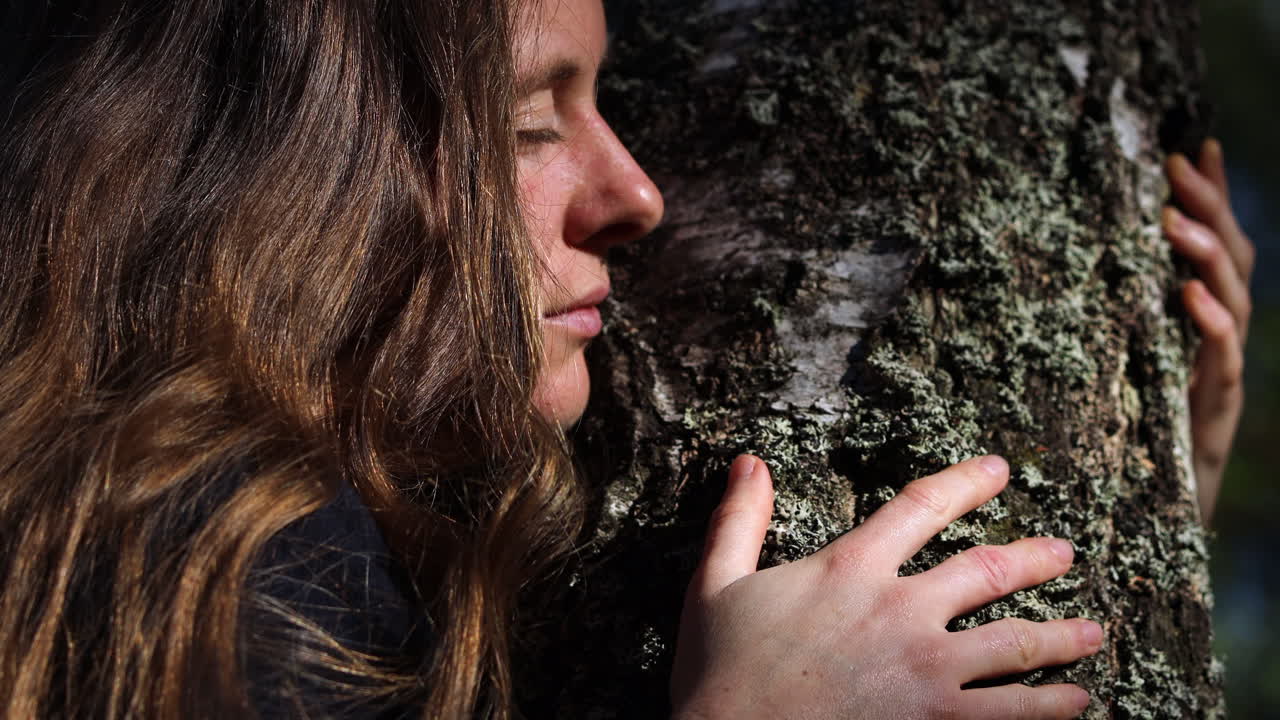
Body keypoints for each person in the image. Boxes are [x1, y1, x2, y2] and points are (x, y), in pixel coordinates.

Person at [0, 1, 1251, 719]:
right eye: (533, 121)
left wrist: (1141, 487)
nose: (635, 195)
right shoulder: (226, 555)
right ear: (302, 177)